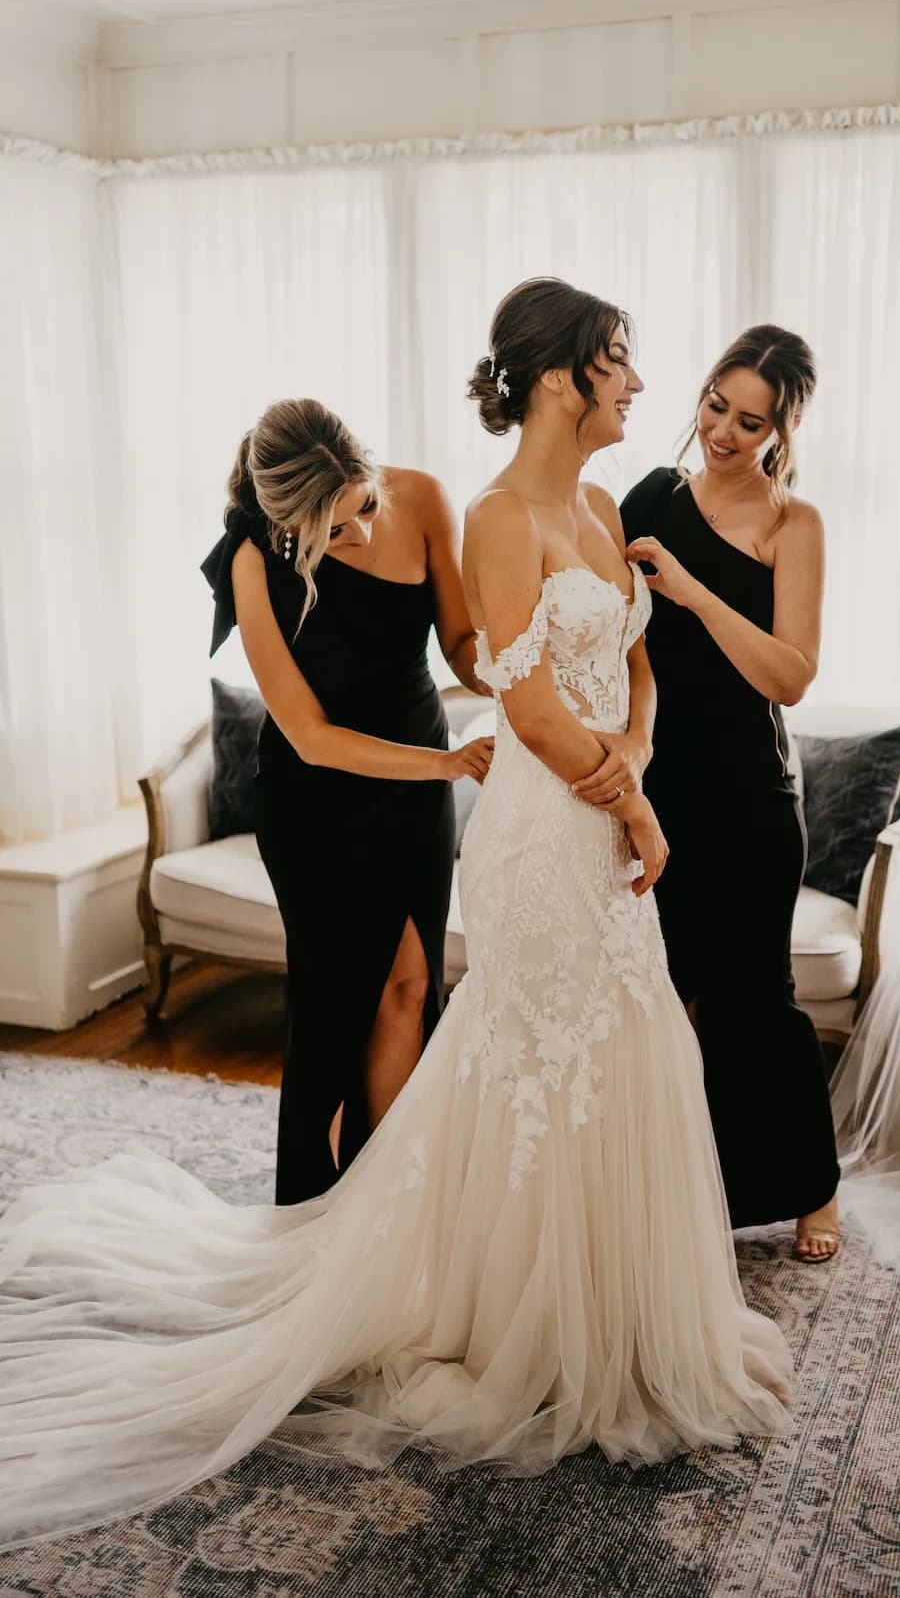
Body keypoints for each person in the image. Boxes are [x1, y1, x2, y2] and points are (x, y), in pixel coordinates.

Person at [0, 285, 790, 1551]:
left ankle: (574, 1297)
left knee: (538, 1027)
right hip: (437, 817)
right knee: (446, 1031)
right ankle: (379, 1245)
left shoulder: (570, 505)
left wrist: (622, 756)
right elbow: (454, 714)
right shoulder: (396, 533)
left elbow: (570, 655)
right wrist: (602, 793)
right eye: (621, 363)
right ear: (557, 379)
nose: (642, 384)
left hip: (541, 801)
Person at [201, 399, 493, 1203]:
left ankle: (388, 1207)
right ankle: (321, 1215)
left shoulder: (426, 498)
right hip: (317, 803)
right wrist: (443, 764)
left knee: (410, 986)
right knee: (335, 1008)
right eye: (330, 534)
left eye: (363, 506)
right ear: (286, 521)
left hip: (416, 794)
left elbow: (464, 646)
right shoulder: (253, 558)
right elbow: (307, 734)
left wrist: (514, 669)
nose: (358, 535)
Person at [612, 326, 842, 1261]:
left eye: (750, 421)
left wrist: (698, 593)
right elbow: (615, 636)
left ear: (781, 430)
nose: (723, 432)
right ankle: (682, 1183)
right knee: (660, 994)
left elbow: (789, 675)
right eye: (715, 406)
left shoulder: (796, 524)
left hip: (750, 796)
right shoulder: (649, 497)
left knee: (759, 1000)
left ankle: (812, 1189)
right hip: (658, 793)